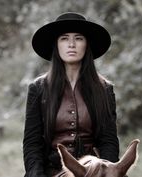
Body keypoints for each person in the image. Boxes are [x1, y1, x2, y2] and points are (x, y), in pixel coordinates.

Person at [23, 12, 119, 177]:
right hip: (49, 172)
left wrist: (106, 173)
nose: (72, 44)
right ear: (57, 45)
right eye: (64, 38)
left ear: (87, 45)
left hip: (92, 173)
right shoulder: (38, 88)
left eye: (79, 38)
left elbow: (108, 141)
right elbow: (32, 143)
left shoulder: (104, 89)